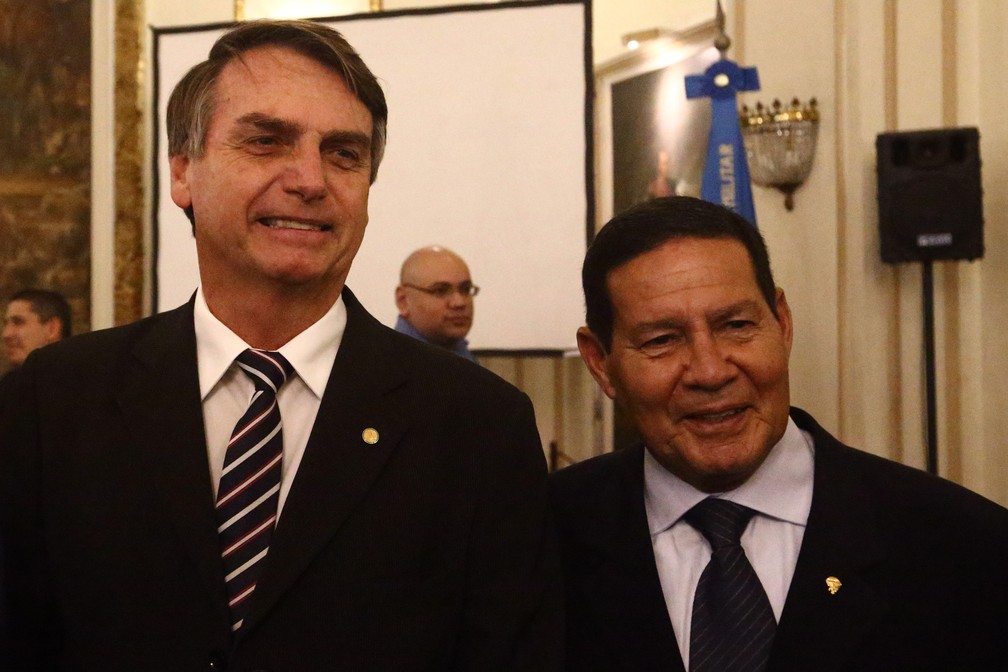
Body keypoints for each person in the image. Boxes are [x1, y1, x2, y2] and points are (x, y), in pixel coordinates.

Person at [0, 20, 560, 671]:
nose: (310, 180)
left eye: (344, 154)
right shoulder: (53, 402)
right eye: (266, 142)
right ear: (183, 172)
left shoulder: (478, 427)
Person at [550, 195, 1008, 672]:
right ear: (601, 362)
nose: (709, 371)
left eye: (736, 325)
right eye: (661, 340)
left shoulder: (968, 548)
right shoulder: (540, 540)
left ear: (783, 323)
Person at [395, 245, 479, 362]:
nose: (459, 303)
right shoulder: (392, 365)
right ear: (403, 300)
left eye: (465, 289)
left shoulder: (462, 355)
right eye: (440, 290)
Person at [1, 288, 71, 370]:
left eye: (18, 322)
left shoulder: (80, 379)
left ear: (52, 329)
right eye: (6, 324)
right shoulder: (11, 381)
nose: (6, 334)